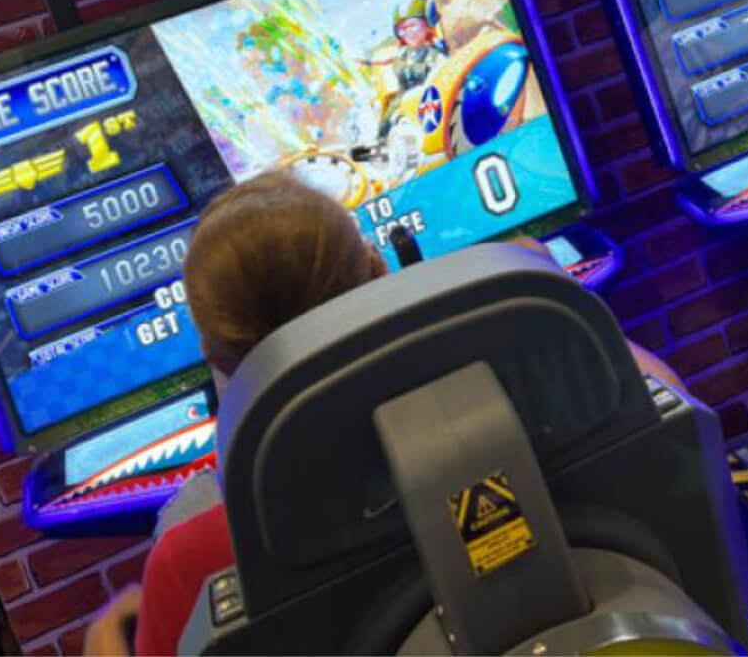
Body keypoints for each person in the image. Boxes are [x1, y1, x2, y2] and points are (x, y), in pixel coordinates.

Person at [83, 171, 685, 657]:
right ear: (378, 270)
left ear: (214, 352)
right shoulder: (541, 415)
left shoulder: (197, 545)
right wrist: (542, 290)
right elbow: (673, 417)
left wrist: (104, 643)